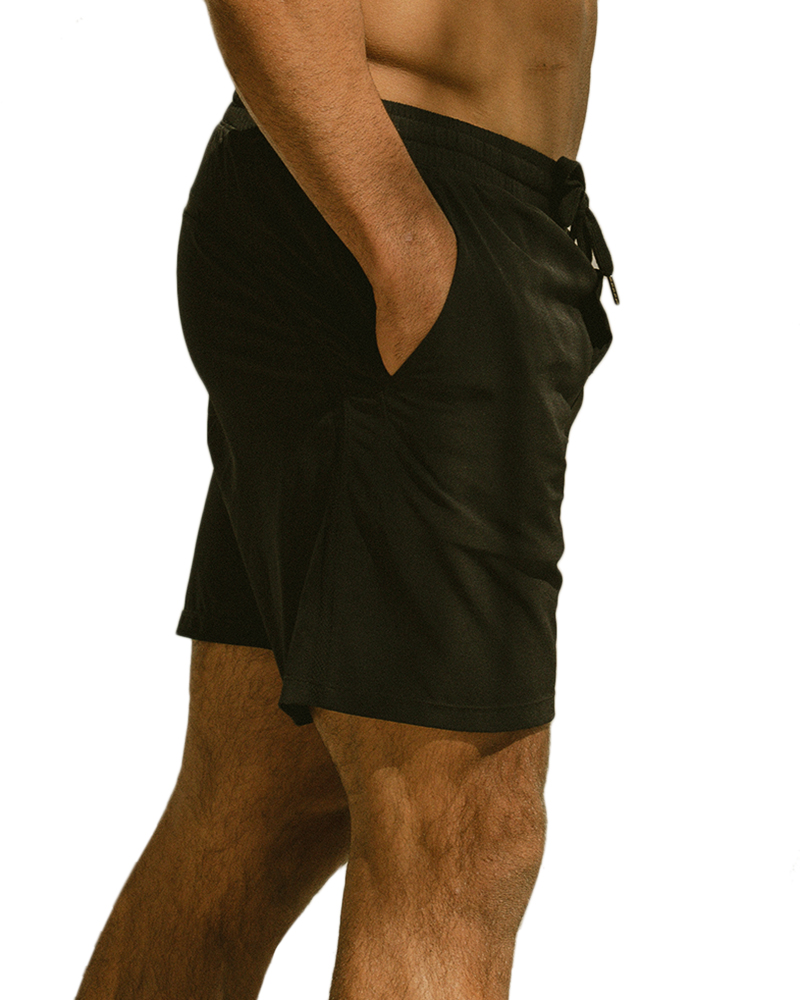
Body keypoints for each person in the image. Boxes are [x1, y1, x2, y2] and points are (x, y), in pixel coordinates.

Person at [75, 1, 617, 997]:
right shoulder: (399, 229)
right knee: (463, 832)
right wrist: (399, 238)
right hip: (386, 197)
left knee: (262, 808)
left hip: (421, 206)